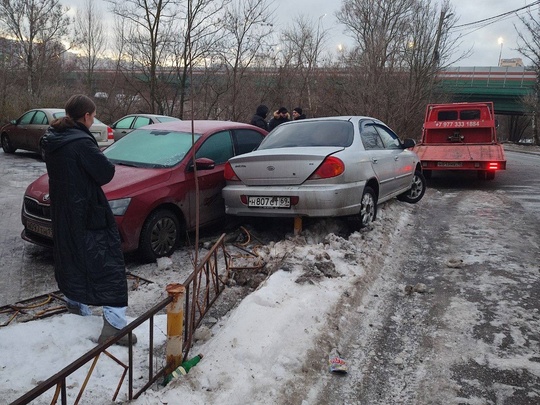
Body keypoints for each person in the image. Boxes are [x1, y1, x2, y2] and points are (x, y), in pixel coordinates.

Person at [41, 94, 136, 346]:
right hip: (88, 213)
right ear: (86, 116)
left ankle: (77, 309)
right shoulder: (81, 142)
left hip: (64, 213)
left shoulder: (53, 139)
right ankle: (114, 326)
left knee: (71, 257)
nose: (94, 120)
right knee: (108, 263)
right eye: (93, 115)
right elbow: (105, 173)